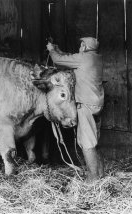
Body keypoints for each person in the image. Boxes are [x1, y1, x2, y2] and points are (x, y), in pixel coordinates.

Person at [46, 37, 104, 181]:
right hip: (97, 102)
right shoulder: (96, 58)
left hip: (85, 104)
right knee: (93, 139)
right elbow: (68, 58)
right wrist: (58, 50)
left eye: (81, 44)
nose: (80, 46)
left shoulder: (83, 58)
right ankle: (100, 172)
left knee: (86, 142)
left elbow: (59, 61)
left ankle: (93, 178)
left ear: (84, 46)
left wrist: (52, 50)